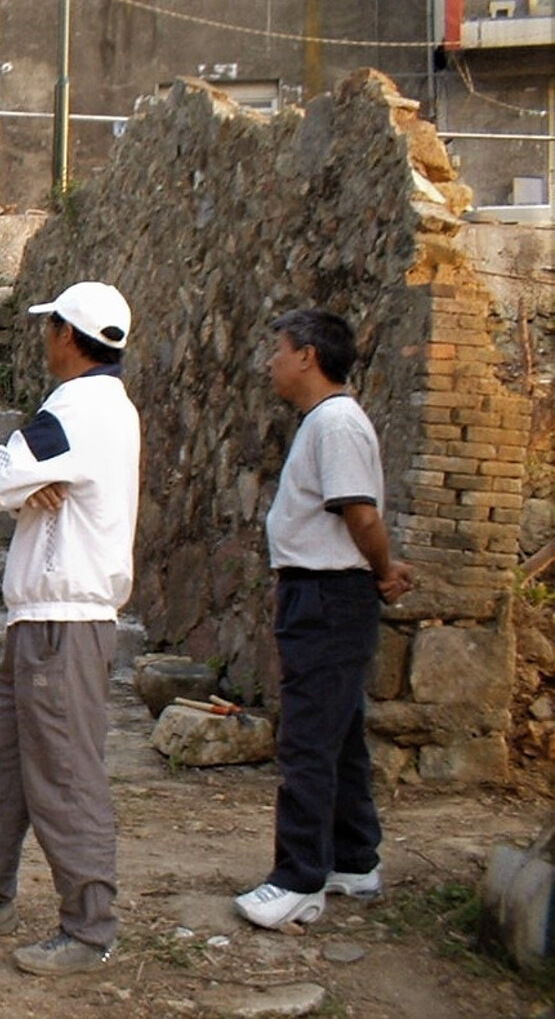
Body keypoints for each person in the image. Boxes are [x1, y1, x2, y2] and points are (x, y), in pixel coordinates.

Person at [0, 281, 140, 977]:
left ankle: (88, 926)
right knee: (4, 767)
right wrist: (13, 480)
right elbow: (6, 478)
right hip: (43, 620)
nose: (44, 339)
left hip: (61, 623)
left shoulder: (76, 408)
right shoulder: (92, 408)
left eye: (49, 328)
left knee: (65, 775)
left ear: (67, 335)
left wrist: (10, 481)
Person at [234, 308, 413, 930]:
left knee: (308, 738)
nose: (270, 362)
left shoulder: (335, 423)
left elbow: (359, 513)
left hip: (329, 595)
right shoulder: (325, 423)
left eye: (278, 350)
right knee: (340, 733)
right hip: (324, 591)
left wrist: (384, 569)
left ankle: (299, 878)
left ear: (307, 355)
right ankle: (354, 859)